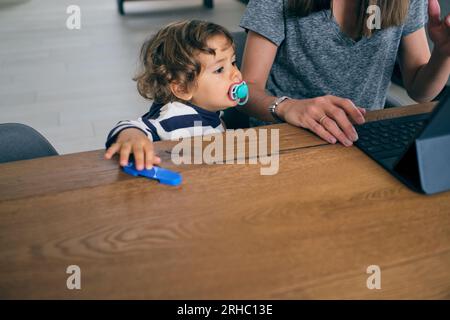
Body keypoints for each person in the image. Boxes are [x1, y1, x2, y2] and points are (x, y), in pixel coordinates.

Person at [239, 0, 450, 147]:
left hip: (363, 138)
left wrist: (443, 53)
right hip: (288, 139)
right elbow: (245, 91)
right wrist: (287, 107)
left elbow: (421, 91)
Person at [104, 20, 248, 170]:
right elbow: (132, 126)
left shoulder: (209, 111)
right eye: (219, 70)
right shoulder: (176, 117)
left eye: (233, 62)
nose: (236, 73)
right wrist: (131, 136)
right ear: (182, 88)